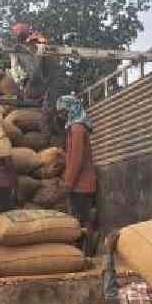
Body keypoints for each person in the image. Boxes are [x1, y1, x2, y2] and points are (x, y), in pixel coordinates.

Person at [56, 95, 97, 255]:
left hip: (82, 184)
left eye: (62, 112)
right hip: (80, 183)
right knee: (82, 219)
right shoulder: (75, 128)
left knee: (80, 221)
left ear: (70, 109)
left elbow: (76, 160)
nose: (60, 116)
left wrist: (68, 184)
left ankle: (85, 253)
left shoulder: (77, 129)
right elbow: (73, 157)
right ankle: (85, 251)